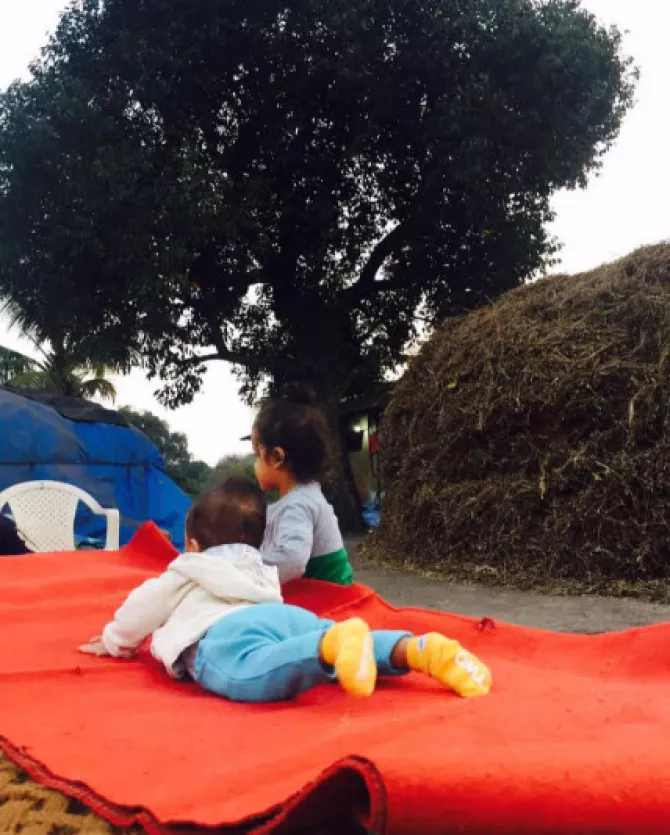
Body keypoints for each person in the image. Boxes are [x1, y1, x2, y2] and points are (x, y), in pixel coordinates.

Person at [79, 477, 492, 702]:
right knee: (322, 635)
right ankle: (417, 649)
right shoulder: (259, 565)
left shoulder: (190, 566)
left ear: (192, 543)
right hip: (286, 617)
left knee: (251, 672)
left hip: (221, 634)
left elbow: (144, 606)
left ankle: (330, 645)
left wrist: (116, 641)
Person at [253, 383, 354, 585]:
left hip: (329, 597)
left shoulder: (298, 504)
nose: (254, 463)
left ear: (276, 457)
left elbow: (292, 560)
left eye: (257, 454)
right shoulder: (303, 497)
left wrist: (247, 571)